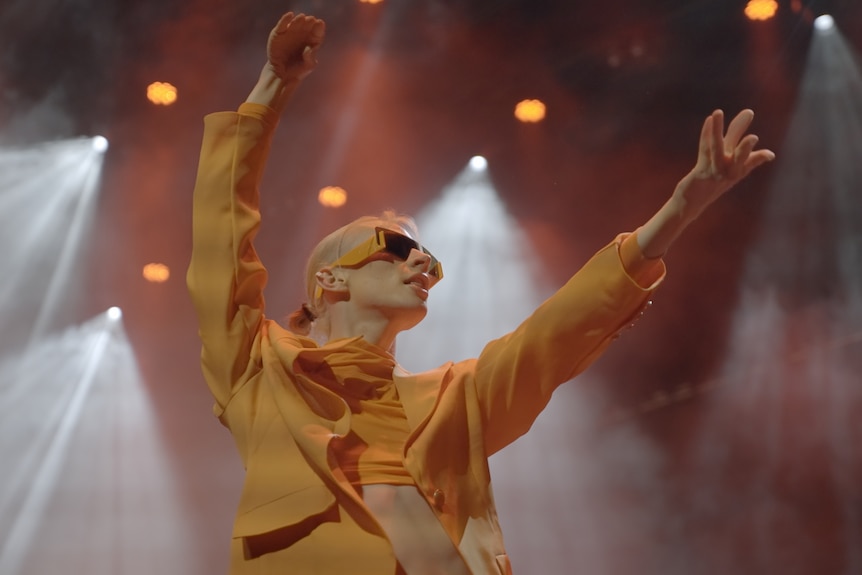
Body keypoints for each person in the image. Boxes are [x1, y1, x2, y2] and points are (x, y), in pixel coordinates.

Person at [186, 11, 775, 575]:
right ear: (329, 281)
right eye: (394, 246)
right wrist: (270, 90)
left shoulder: (455, 400)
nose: (420, 259)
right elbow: (220, 235)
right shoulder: (261, 372)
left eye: (430, 260)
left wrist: (678, 211)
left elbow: (556, 334)